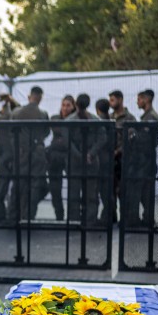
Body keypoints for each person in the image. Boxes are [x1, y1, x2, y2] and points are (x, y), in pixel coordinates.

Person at [6, 85, 49, 222]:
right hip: (37, 153)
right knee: (35, 186)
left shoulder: (17, 113)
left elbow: (11, 131)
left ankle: (13, 216)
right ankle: (29, 216)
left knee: (18, 184)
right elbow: (46, 132)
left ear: (29, 96)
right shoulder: (43, 114)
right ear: (40, 98)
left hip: (21, 153)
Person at [66, 94, 103, 225]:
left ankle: (76, 221)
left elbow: (67, 142)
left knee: (77, 194)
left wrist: (82, 156)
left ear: (76, 103)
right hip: (89, 160)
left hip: (79, 161)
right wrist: (90, 155)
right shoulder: (95, 119)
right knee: (90, 194)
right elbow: (101, 138)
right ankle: (89, 221)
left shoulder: (70, 120)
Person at [129, 89, 158, 227]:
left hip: (145, 159)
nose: (137, 101)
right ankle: (145, 219)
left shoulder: (150, 117)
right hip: (144, 159)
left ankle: (140, 219)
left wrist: (133, 133)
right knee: (144, 191)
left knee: (141, 190)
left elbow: (146, 140)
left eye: (139, 99)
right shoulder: (147, 116)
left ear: (146, 99)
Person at [108, 89, 137, 225]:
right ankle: (111, 217)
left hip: (123, 160)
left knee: (123, 191)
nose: (111, 103)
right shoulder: (109, 117)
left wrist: (118, 151)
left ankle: (125, 218)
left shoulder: (129, 118)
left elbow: (130, 139)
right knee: (110, 190)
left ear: (120, 100)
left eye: (113, 100)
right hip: (111, 160)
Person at [46, 94, 76, 221]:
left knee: (73, 187)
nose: (65, 108)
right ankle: (59, 215)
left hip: (70, 155)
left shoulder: (76, 119)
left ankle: (73, 216)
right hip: (54, 156)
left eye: (68, 105)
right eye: (63, 105)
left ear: (73, 106)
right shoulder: (55, 118)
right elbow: (58, 129)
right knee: (55, 188)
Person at [0, 93, 18, 223]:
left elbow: (8, 116)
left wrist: (9, 103)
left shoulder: (8, 117)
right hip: (6, 158)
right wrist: (10, 103)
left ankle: (3, 215)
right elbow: (9, 116)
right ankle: (2, 215)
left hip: (8, 157)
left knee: (3, 189)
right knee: (1, 190)